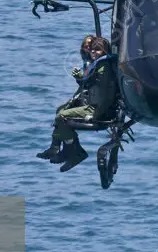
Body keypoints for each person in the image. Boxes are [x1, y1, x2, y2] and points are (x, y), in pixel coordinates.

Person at [36, 35, 119, 172]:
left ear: (105, 51)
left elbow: (106, 95)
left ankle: (75, 152)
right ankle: (62, 150)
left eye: (98, 50)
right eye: (92, 50)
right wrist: (80, 78)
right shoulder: (99, 65)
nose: (93, 52)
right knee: (60, 111)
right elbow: (91, 84)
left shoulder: (103, 69)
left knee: (61, 117)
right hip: (94, 105)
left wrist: (98, 114)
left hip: (97, 109)